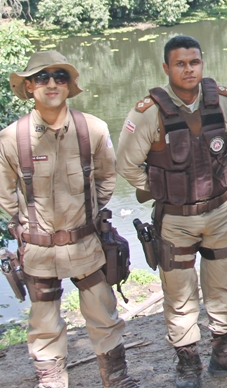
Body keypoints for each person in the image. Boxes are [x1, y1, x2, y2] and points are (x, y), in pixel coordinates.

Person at [116, 36, 227, 388]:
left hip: (221, 214)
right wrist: (162, 189)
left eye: (194, 62)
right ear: (166, 68)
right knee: (180, 297)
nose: (188, 69)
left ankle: (223, 354)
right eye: (179, 63)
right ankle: (188, 363)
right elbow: (126, 163)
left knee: (223, 288)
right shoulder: (147, 112)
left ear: (202, 64)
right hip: (176, 221)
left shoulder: (223, 102)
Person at [0, 51, 138, 388]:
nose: (51, 84)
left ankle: (116, 379)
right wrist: (30, 227)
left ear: (69, 84)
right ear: (29, 86)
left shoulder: (91, 128)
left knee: (103, 314)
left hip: (86, 244)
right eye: (42, 78)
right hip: (38, 250)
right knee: (44, 324)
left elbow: (107, 176)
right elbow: (5, 194)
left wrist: (88, 213)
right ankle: (52, 382)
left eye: (60, 77)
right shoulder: (10, 138)